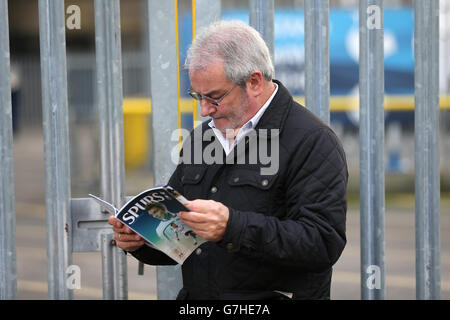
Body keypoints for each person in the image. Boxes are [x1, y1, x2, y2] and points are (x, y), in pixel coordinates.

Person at [108, 20, 348, 300]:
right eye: (197, 95)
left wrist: (232, 227)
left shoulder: (312, 140)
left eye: (214, 97)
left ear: (254, 82)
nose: (204, 109)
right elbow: (182, 237)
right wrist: (142, 241)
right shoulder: (203, 138)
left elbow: (322, 243)